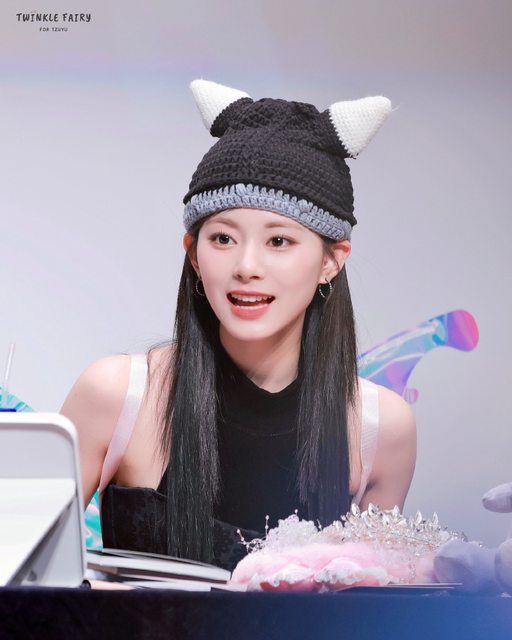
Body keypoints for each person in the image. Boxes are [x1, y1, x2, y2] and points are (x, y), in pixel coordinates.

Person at [61, 80, 416, 570]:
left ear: (331, 261)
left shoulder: (380, 427)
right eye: (223, 239)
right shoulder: (118, 394)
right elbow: (23, 573)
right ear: (194, 254)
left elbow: (369, 604)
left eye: (279, 241)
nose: (246, 267)